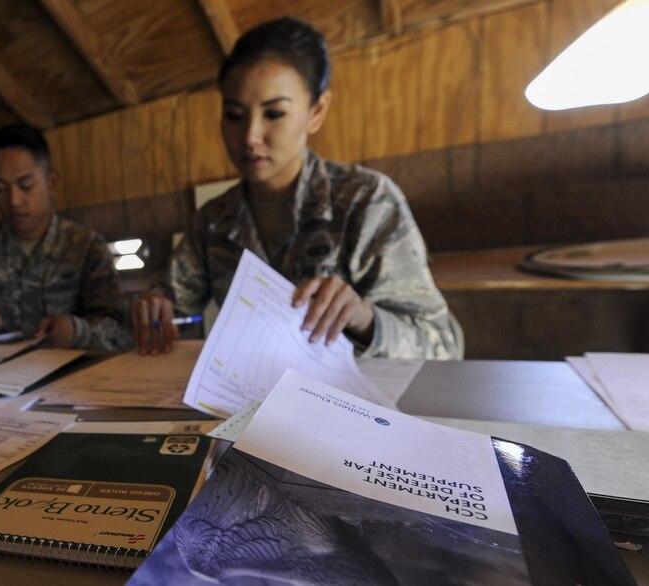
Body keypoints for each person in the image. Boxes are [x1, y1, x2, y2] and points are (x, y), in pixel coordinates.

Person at [132, 17, 460, 359]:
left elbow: (443, 345)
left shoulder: (365, 201)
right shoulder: (212, 222)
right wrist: (154, 309)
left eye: (274, 114)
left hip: (352, 406)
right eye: (234, 115)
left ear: (316, 112)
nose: (250, 137)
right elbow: (169, 306)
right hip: (248, 402)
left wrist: (364, 318)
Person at [0, 123, 132, 351]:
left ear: (51, 183)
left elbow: (122, 330)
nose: (13, 200)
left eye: (25, 185)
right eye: (0, 189)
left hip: (70, 381)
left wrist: (76, 331)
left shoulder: (85, 246)